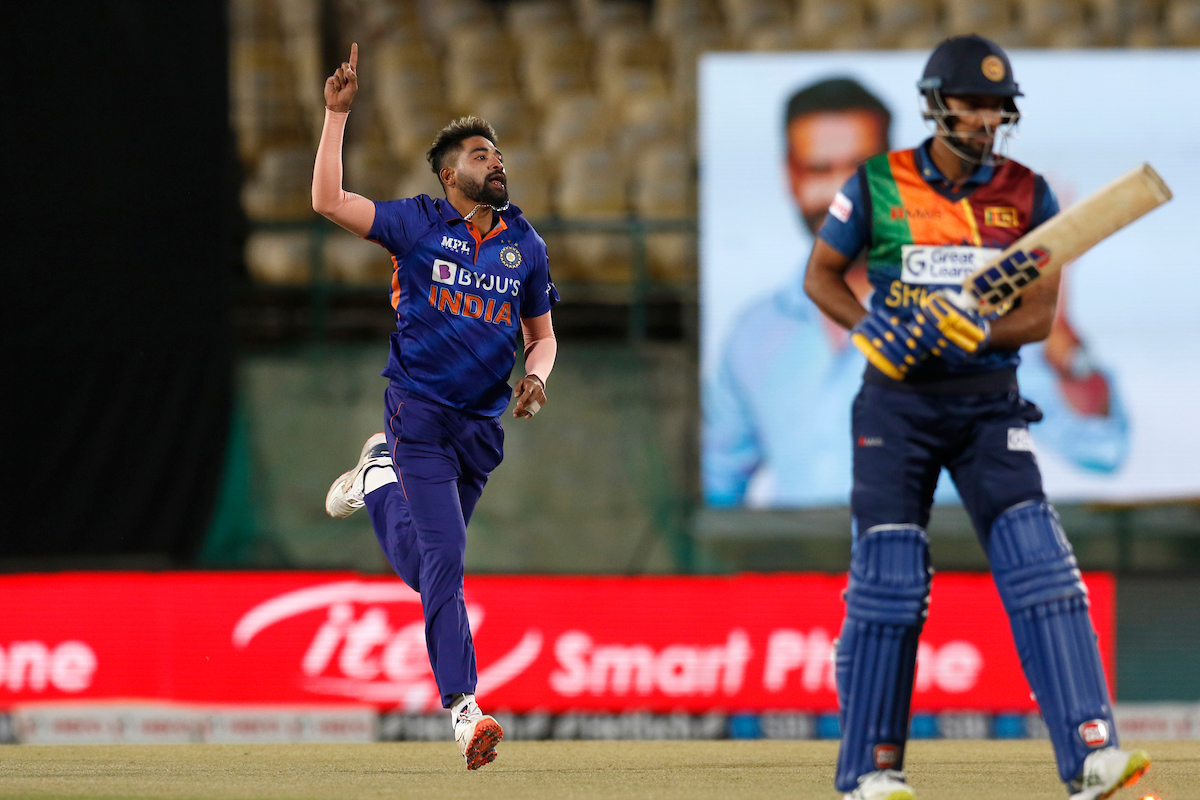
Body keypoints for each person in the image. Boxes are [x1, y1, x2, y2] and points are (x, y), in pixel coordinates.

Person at [802, 36, 1149, 800]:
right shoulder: (879, 184)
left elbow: (1037, 315)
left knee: (1043, 569)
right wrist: (870, 329)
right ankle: (870, 771)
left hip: (989, 406)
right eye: (972, 103)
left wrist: (980, 332)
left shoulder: (1029, 193)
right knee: (889, 582)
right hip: (896, 406)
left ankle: (1093, 757)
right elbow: (820, 275)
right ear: (937, 104)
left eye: (998, 105)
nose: (986, 116)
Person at [704, 78, 1128, 508]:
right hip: (802, 572)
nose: (840, 195)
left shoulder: (973, 303)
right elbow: (715, 489)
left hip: (942, 569)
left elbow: (1099, 449)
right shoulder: (752, 335)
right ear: (789, 177)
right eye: (819, 169)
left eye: (858, 170)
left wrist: (1060, 340)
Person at [311, 44, 558, 770]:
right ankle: (464, 710)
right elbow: (328, 201)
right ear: (451, 174)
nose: (497, 163)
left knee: (428, 570)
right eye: (483, 155)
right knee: (447, 562)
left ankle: (376, 478)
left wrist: (538, 379)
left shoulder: (526, 246)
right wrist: (336, 117)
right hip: (418, 411)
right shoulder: (415, 223)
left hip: (480, 430)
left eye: (500, 154)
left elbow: (542, 339)